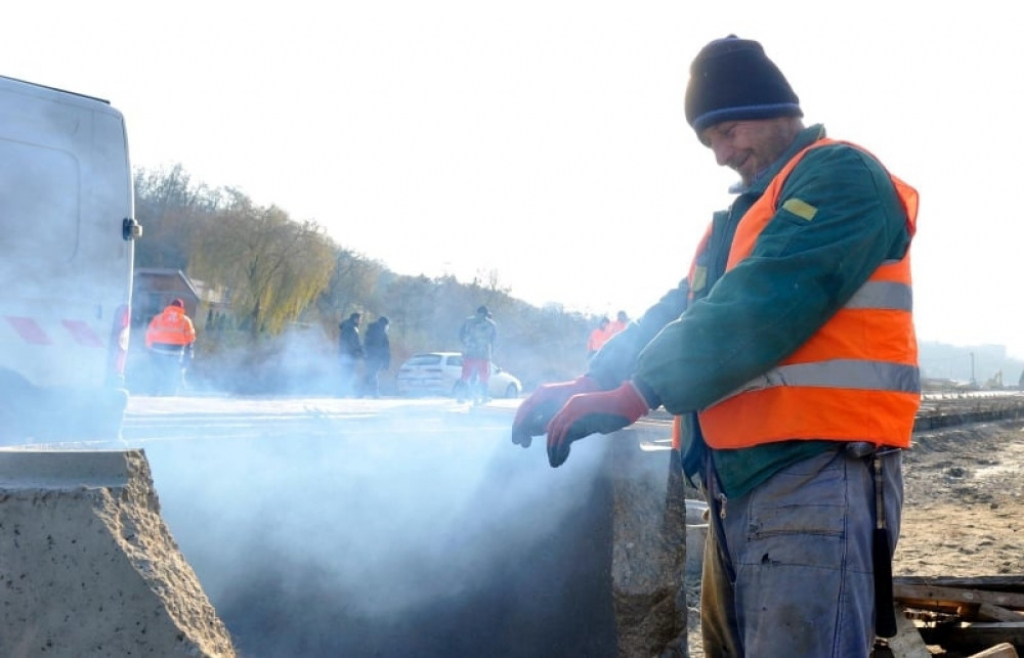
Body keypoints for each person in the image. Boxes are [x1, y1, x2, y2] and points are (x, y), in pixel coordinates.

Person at [510, 35, 919, 657]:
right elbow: (683, 307)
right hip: (737, 488)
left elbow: (765, 298)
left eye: (728, 132)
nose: (723, 155)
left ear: (777, 108)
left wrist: (641, 391)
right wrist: (594, 379)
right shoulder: (743, 215)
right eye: (710, 143)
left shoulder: (843, 177)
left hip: (816, 478)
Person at [144, 298, 197, 395]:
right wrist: (189, 355)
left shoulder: (158, 318)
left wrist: (149, 348)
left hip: (157, 351)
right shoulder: (186, 321)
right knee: (171, 377)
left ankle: (152, 395)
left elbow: (149, 334)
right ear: (182, 308)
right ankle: (167, 397)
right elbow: (190, 340)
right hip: (175, 354)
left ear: (169, 306)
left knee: (156, 375)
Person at [458, 305, 498, 404]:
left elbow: (460, 335)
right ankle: (483, 397)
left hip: (469, 354)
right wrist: (491, 351)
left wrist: (466, 345)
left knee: (465, 375)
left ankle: (460, 396)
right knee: (483, 377)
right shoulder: (491, 324)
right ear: (486, 313)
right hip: (483, 355)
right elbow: (493, 340)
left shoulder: (468, 321)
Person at [362, 316, 391, 398]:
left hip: (369, 357)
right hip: (377, 358)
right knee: (373, 375)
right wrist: (386, 362)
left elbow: (365, 344)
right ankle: (373, 393)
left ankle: (362, 392)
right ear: (385, 324)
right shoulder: (382, 333)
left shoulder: (369, 331)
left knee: (370, 375)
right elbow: (385, 349)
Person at [338, 312, 364, 397]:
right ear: (355, 319)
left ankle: (341, 392)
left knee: (345, 374)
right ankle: (356, 393)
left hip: (343, 354)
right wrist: (359, 352)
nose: (360, 321)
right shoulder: (352, 328)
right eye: (360, 319)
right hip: (350, 355)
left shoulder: (346, 327)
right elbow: (354, 343)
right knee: (350, 374)